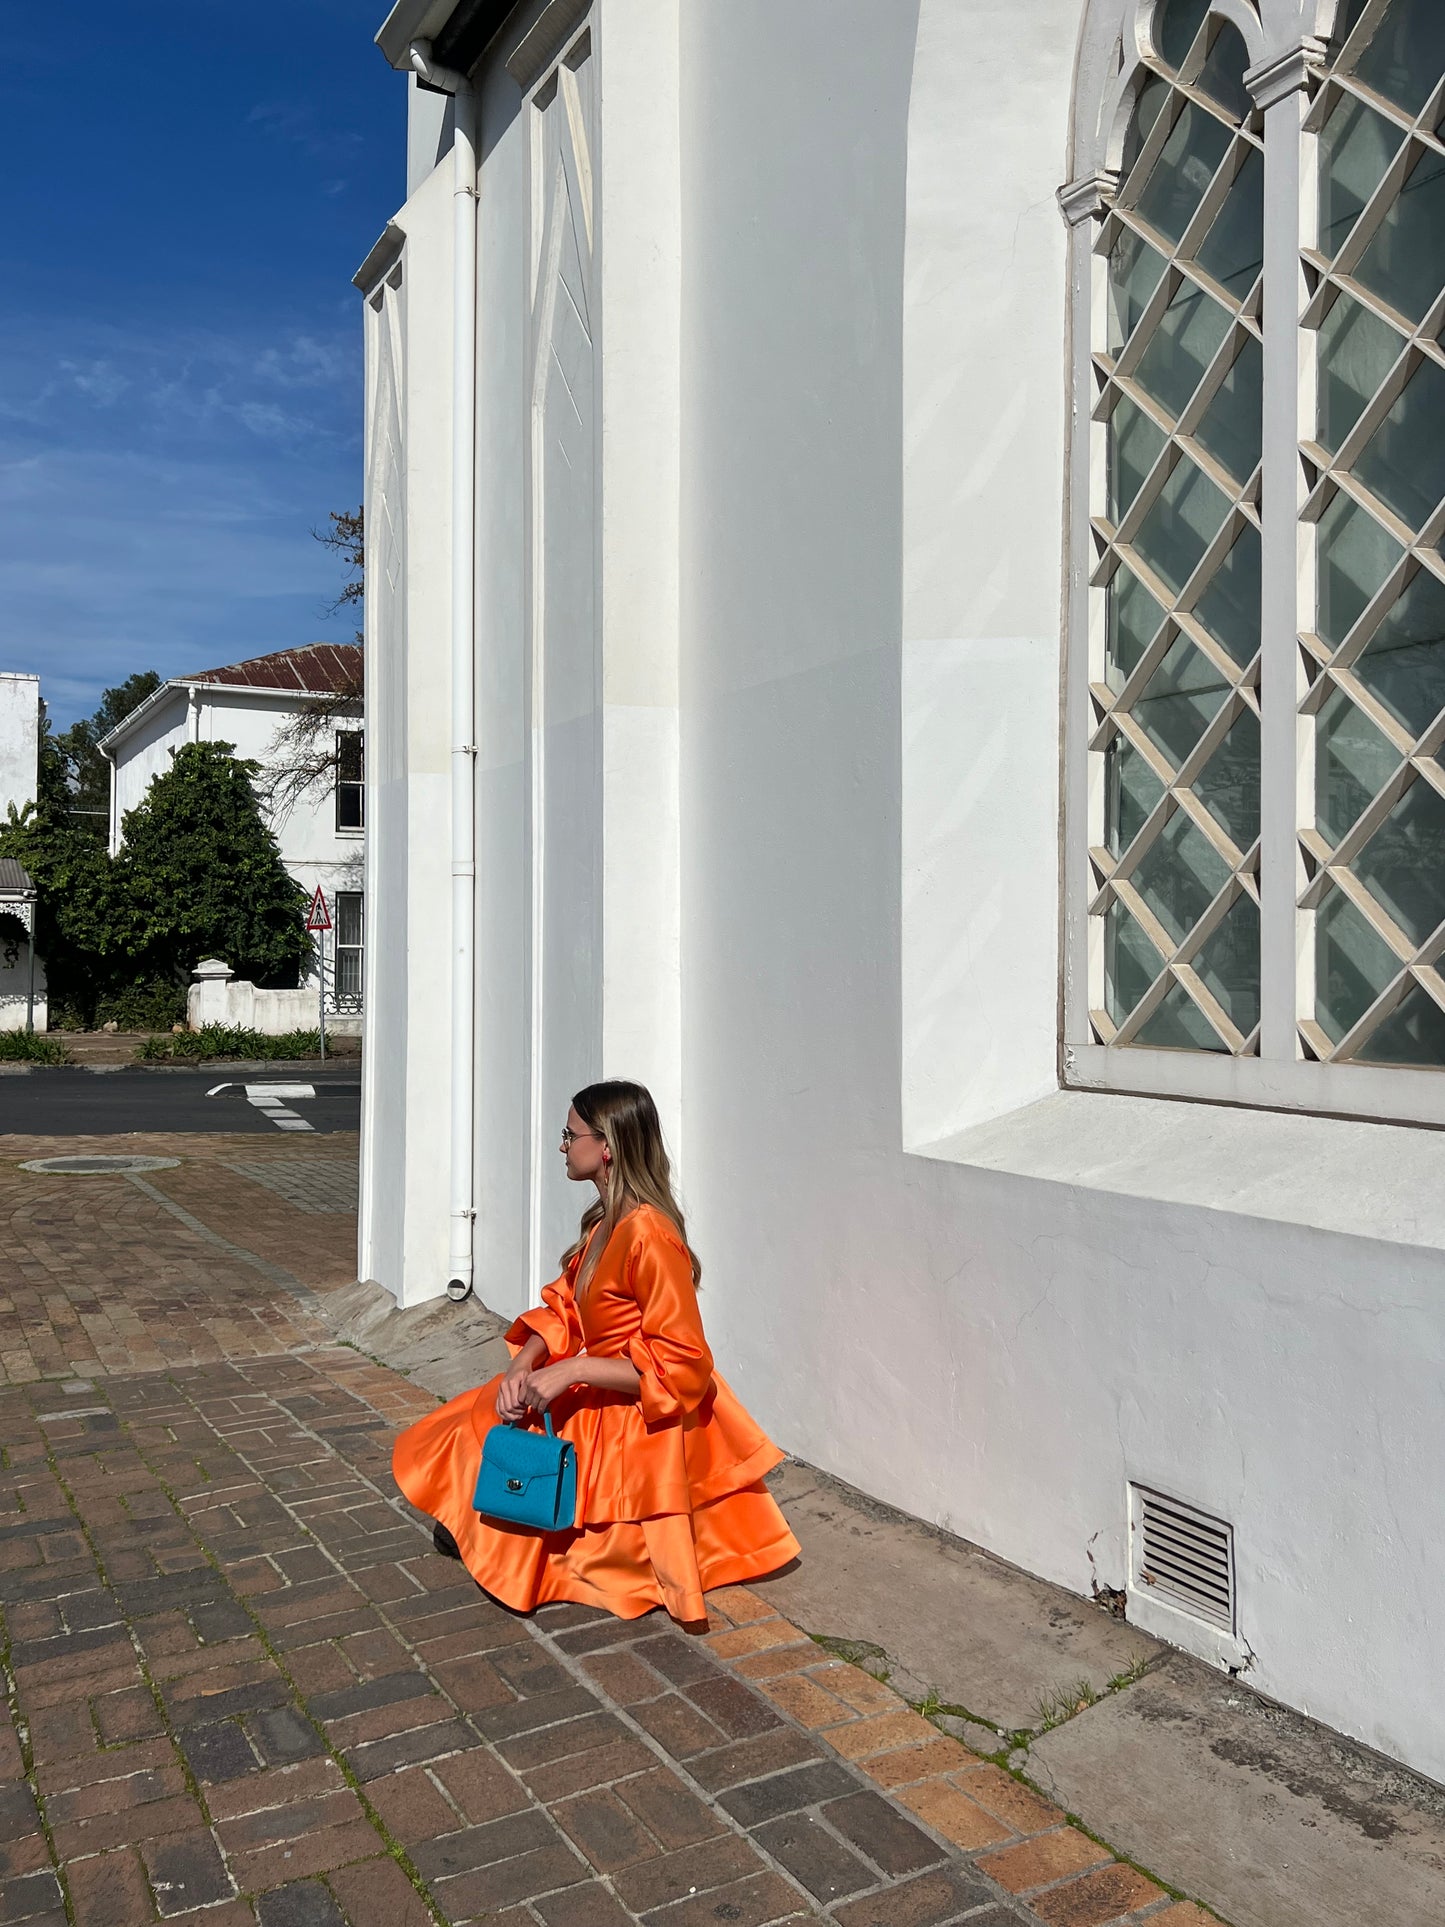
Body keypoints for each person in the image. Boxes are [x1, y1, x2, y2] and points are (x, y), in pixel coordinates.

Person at [391, 1079, 800, 1625]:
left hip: (637, 1405)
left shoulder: (649, 1237)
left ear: (605, 1145)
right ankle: (480, 1522)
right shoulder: (606, 1222)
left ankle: (500, 1534)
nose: (562, 1144)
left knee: (549, 1479)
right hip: (592, 1379)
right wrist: (523, 1362)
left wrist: (575, 1371)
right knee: (483, 1412)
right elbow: (566, 1305)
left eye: (570, 1133)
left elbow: (683, 1362)